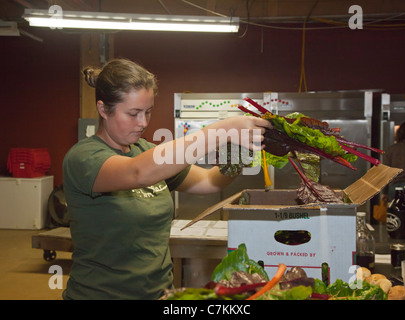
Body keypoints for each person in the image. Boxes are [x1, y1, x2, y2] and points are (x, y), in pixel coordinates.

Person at [62, 58, 272, 300]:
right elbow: (137, 173)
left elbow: (207, 182)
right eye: (133, 113)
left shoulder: (144, 150)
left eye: (148, 112)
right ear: (103, 110)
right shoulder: (84, 158)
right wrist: (221, 130)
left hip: (159, 294)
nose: (143, 123)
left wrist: (237, 156)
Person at [382, 121, 405, 202]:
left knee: (396, 212)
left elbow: (386, 173)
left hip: (394, 187)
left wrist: (384, 192)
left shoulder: (391, 149)